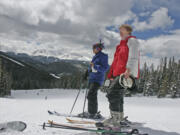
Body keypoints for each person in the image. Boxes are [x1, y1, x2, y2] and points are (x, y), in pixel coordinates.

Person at [102, 24, 140, 127]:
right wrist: (110, 75)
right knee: (118, 96)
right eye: (119, 30)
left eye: (122, 30)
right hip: (118, 74)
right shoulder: (120, 46)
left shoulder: (132, 41)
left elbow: (134, 56)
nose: (120, 32)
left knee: (112, 93)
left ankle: (115, 119)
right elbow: (115, 62)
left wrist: (129, 70)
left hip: (126, 73)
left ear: (128, 31)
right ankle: (120, 118)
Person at [79, 42, 109, 119]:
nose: (93, 50)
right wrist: (87, 73)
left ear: (98, 49)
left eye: (94, 48)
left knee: (91, 95)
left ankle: (92, 113)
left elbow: (105, 68)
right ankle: (92, 112)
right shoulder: (95, 56)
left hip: (98, 79)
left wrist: (95, 66)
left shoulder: (103, 56)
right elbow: (92, 68)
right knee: (92, 95)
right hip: (93, 79)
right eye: (93, 48)